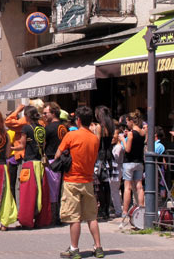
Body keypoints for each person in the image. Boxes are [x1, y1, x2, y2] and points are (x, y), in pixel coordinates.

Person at [56, 106, 103, 259]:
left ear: (78, 120)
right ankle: (98, 247)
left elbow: (57, 154)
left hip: (72, 180)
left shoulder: (71, 136)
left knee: (74, 217)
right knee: (91, 216)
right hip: (88, 180)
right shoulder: (94, 139)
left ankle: (74, 249)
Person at [13, 105, 51, 228]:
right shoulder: (42, 128)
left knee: (27, 193)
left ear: (27, 116)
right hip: (40, 164)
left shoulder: (26, 128)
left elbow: (22, 146)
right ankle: (41, 219)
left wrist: (11, 148)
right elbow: (43, 144)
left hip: (29, 164)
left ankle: (26, 220)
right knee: (41, 192)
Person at [91, 106, 117, 220]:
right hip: (109, 156)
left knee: (99, 184)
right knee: (107, 185)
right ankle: (106, 209)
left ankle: (102, 209)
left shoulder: (99, 127)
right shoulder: (111, 125)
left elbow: (96, 142)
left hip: (100, 157)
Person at [118, 112, 146, 216]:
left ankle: (125, 211)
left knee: (127, 187)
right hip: (139, 162)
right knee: (139, 186)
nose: (127, 124)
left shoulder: (131, 133)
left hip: (129, 162)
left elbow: (127, 149)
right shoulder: (143, 132)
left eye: (127, 122)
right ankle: (142, 208)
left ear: (131, 121)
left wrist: (122, 140)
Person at [43, 102, 67, 223]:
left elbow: (43, 145)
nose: (44, 115)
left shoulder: (48, 128)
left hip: (52, 161)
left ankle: (54, 217)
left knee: (53, 190)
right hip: (64, 161)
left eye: (46, 113)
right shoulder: (64, 127)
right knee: (61, 189)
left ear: (53, 113)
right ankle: (61, 214)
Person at [110, 126, 124, 219]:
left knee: (114, 191)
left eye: (114, 134)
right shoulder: (117, 146)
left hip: (116, 170)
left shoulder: (119, 147)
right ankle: (117, 209)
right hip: (116, 170)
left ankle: (118, 210)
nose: (112, 136)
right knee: (114, 191)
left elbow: (116, 157)